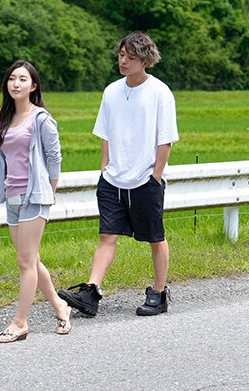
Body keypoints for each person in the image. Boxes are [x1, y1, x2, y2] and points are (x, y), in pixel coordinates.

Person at [59, 31, 179, 317]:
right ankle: (91, 292)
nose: (123, 61)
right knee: (107, 236)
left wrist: (156, 176)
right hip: (112, 180)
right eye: (121, 55)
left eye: (130, 57)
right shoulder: (111, 91)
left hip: (145, 180)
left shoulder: (160, 92)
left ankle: (159, 293)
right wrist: (105, 168)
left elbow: (166, 139)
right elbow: (106, 132)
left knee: (155, 237)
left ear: (145, 61)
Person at [0, 60, 72, 342]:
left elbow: (55, 157)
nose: (16, 84)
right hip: (11, 197)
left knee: (24, 262)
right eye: (12, 78)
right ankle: (61, 306)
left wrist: (50, 191)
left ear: (34, 86)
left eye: (23, 79)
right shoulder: (6, 117)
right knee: (32, 260)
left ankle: (20, 323)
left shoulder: (41, 119)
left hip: (34, 196)